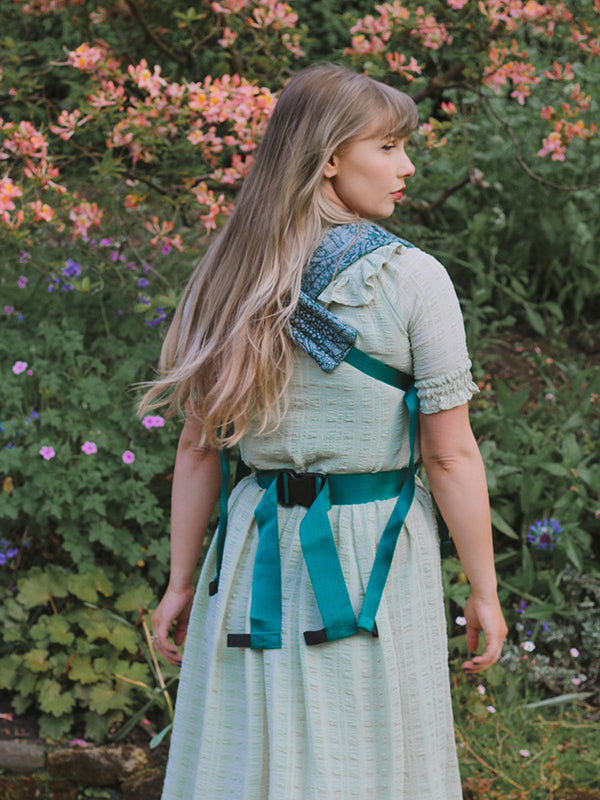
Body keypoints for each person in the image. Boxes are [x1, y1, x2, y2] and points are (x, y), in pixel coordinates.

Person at [141, 64, 508, 800]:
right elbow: (449, 455)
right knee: (368, 753)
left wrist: (180, 584)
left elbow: (198, 447)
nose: (407, 167)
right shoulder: (413, 280)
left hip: (252, 548)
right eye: (388, 147)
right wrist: (485, 591)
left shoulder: (225, 276)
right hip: (372, 550)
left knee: (248, 757)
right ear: (330, 157)